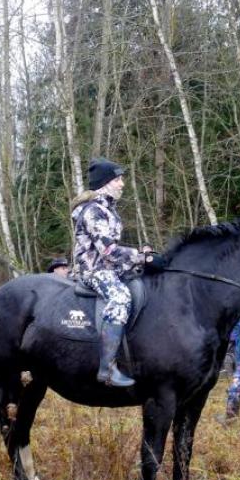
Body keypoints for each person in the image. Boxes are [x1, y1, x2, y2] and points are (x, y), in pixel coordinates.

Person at [71, 158, 164, 387]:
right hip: (93, 270)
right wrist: (141, 256)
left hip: (109, 267)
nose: (122, 184)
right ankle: (108, 368)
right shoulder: (93, 211)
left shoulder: (107, 209)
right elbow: (109, 251)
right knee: (121, 297)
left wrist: (142, 255)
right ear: (106, 183)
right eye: (118, 179)